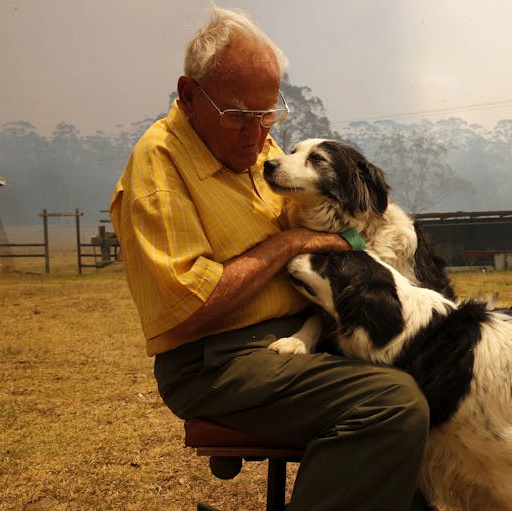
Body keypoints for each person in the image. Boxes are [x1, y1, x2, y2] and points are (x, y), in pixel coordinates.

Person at [109, 6, 429, 511]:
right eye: (239, 115)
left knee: (425, 371)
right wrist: (290, 244)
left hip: (297, 330)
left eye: (267, 115)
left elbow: (330, 217)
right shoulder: (159, 167)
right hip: (217, 360)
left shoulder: (254, 149)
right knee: (392, 405)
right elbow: (190, 309)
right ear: (189, 96)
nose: (257, 135)